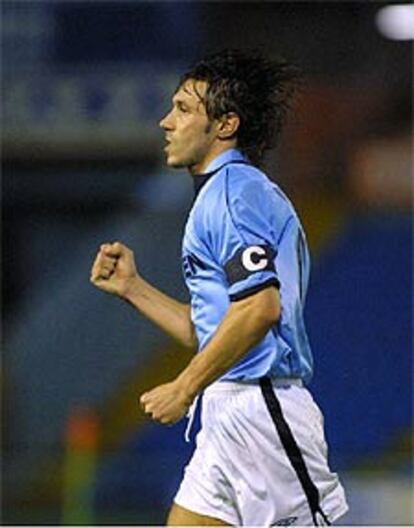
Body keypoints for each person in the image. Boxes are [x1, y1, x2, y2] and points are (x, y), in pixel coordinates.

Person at [90, 49, 348, 526]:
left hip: (261, 409)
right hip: (228, 407)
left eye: (184, 110)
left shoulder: (233, 193)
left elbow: (259, 309)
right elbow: (212, 330)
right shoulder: (220, 195)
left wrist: (184, 387)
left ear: (225, 125)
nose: (166, 122)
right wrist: (133, 288)